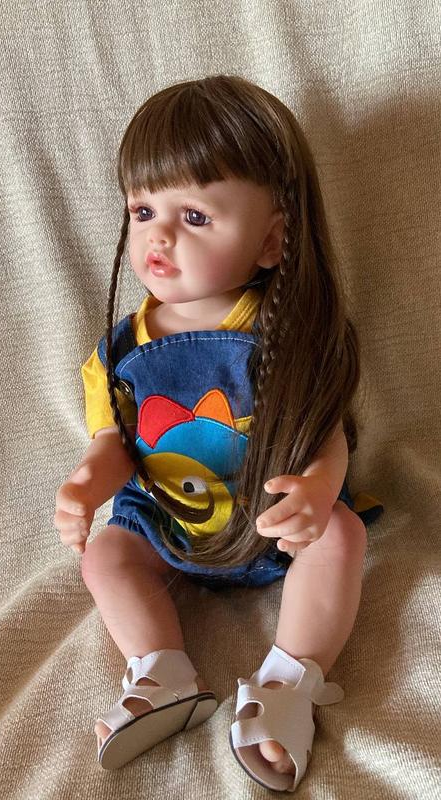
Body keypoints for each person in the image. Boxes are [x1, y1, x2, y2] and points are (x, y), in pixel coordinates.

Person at [54, 74, 382, 792]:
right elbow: (114, 446)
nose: (159, 235)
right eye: (143, 210)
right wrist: (85, 486)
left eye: (196, 216)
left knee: (341, 536)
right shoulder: (117, 353)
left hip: (270, 525)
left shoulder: (287, 335)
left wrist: (318, 490)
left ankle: (289, 679)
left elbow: (325, 431)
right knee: (107, 557)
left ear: (272, 239)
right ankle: (160, 670)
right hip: (168, 521)